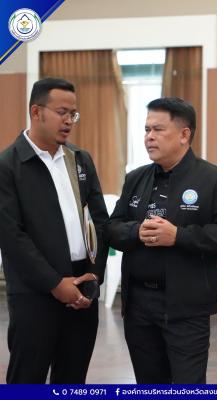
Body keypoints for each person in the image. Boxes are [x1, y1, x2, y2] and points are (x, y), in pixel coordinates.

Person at [108, 97, 217, 384]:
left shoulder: (214, 179)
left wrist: (179, 236)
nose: (149, 137)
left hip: (187, 306)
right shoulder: (136, 178)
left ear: (184, 134)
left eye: (158, 130)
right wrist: (136, 232)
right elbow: (112, 228)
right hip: (139, 306)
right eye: (146, 130)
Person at [0, 77, 108, 383]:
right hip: (35, 293)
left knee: (73, 379)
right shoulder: (8, 166)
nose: (69, 121)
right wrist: (55, 283)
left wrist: (93, 275)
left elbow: (100, 221)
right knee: (27, 380)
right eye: (62, 112)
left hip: (82, 288)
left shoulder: (79, 160)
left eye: (73, 114)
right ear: (36, 112)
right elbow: (11, 236)